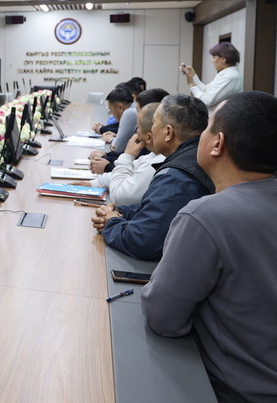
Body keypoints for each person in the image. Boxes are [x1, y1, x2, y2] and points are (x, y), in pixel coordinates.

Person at [141, 91, 277, 401]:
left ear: (217, 143)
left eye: (207, 127)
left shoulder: (205, 216)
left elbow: (164, 318)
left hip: (236, 391)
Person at [91, 93, 214, 260]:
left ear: (168, 132)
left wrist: (110, 222)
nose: (149, 130)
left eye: (154, 123)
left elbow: (140, 241)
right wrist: (121, 212)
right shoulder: (195, 157)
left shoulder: (177, 177)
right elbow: (160, 209)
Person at [85, 103, 165, 206]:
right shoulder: (153, 155)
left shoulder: (159, 161)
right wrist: (94, 183)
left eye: (138, 127)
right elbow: (133, 170)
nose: (136, 132)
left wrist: (128, 155)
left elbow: (120, 198)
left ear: (148, 137)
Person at [180, 41, 243, 112]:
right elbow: (206, 90)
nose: (212, 61)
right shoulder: (225, 73)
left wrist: (192, 85)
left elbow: (207, 101)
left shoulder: (230, 76)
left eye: (214, 58)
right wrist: (193, 75)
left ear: (223, 58)